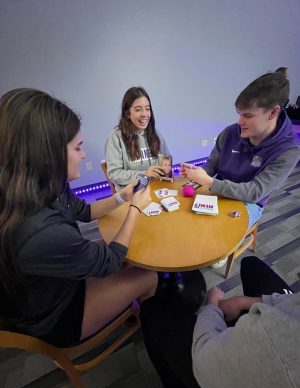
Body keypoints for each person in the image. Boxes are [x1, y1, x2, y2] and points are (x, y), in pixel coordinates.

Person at [0, 88, 158, 347]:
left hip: (53, 279)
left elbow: (82, 211)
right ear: (48, 156)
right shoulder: (41, 232)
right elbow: (109, 263)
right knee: (147, 274)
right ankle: (150, 329)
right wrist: (136, 209)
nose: (84, 155)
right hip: (56, 314)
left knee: (131, 254)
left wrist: (123, 197)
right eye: (78, 147)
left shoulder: (42, 184)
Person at [140, 256, 300, 388]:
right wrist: (241, 302)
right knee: (251, 264)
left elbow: (205, 354)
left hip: (218, 369)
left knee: (151, 310)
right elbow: (291, 301)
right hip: (280, 325)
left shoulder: (283, 357)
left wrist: (212, 305)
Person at [181, 72, 300, 229]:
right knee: (186, 218)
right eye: (239, 114)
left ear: (273, 113)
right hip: (219, 190)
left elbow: (254, 192)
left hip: (249, 202)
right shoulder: (230, 132)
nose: (240, 121)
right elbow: (211, 166)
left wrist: (209, 182)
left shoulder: (288, 151)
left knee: (215, 234)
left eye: (248, 116)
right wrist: (196, 174)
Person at [105, 87, 171, 190]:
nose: (144, 114)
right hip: (131, 195)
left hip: (157, 189)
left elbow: (166, 159)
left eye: (147, 109)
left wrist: (166, 167)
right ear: (127, 113)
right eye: (138, 109)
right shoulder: (115, 137)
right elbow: (114, 173)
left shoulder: (156, 134)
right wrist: (144, 174)